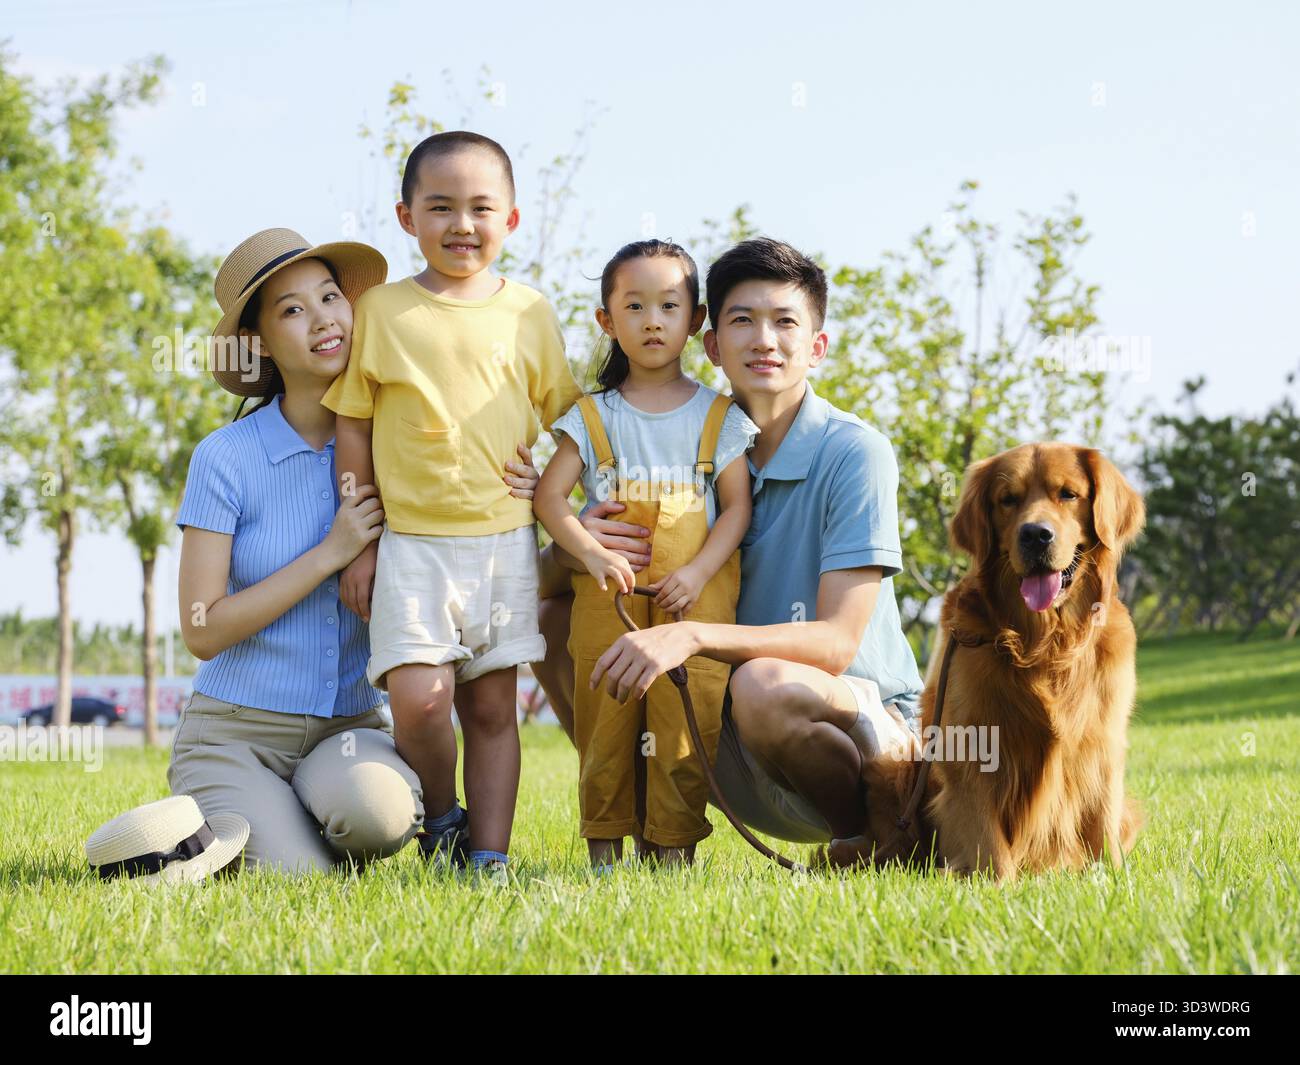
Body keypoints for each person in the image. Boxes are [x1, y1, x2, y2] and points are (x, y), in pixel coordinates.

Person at [535, 237, 924, 851]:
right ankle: (637, 827)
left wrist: (690, 634)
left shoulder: (854, 452)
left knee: (762, 684)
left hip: (860, 733)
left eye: (785, 322)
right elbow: (545, 588)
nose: (764, 340)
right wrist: (583, 541)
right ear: (711, 344)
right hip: (727, 728)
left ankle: (878, 838)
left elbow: (836, 641)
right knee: (550, 621)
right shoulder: (674, 439)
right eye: (742, 320)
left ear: (817, 348)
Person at [323, 131, 583, 882]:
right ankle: (441, 819)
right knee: (422, 700)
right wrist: (360, 542)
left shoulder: (529, 312)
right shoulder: (383, 310)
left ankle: (489, 857)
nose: (461, 224)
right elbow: (354, 423)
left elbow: (570, 422)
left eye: (480, 208)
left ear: (512, 220)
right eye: (441, 207)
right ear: (407, 217)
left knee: (493, 709)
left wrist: (552, 490)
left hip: (502, 541)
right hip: (411, 543)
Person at [171, 228, 416, 875]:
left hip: (348, 730)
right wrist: (329, 552)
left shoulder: (395, 441)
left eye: (329, 296)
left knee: (378, 818)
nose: (323, 319)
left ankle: (282, 818)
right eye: (292, 309)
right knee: (302, 880)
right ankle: (206, 824)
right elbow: (202, 629)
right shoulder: (226, 457)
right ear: (258, 343)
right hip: (234, 736)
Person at [534, 239, 758, 870]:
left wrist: (697, 570)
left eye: (668, 305)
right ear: (607, 321)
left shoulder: (720, 416)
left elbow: (736, 507)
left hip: (693, 600)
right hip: (609, 600)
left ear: (695, 321)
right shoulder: (591, 416)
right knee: (606, 724)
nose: (652, 320)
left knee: (685, 724)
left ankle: (672, 855)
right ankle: (604, 855)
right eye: (634, 306)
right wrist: (588, 550)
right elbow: (550, 499)